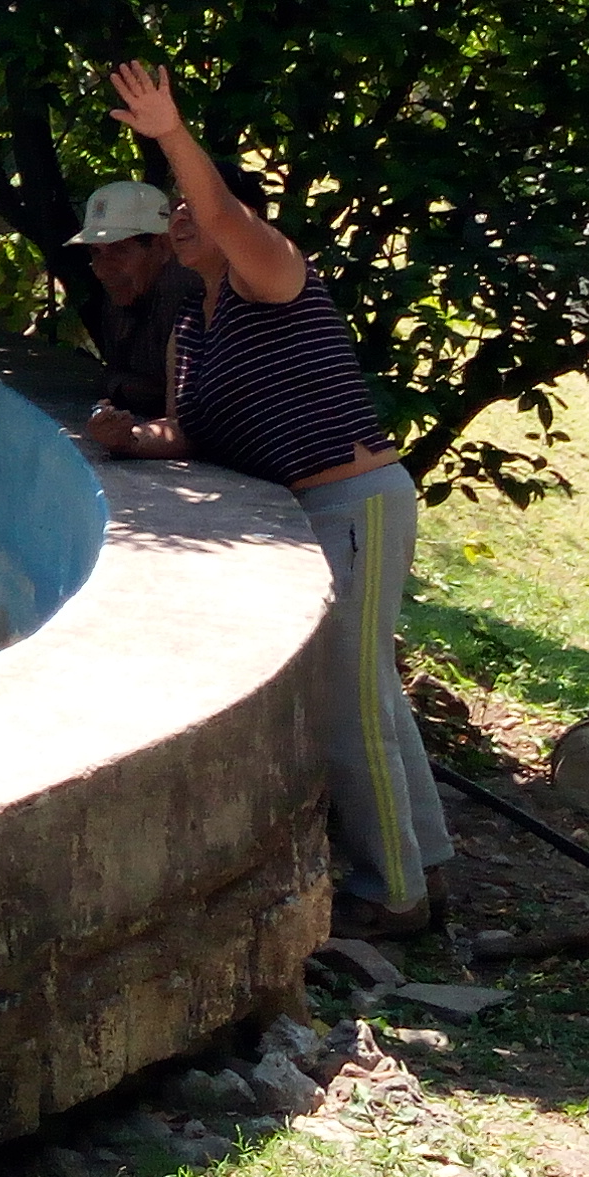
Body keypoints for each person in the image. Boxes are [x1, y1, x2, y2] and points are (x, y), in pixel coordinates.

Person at [85, 60, 454, 942]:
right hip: (313, 516)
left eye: (188, 212)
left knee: (348, 699)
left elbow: (218, 212)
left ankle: (392, 894)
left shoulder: (274, 276)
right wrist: (126, 439)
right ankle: (426, 867)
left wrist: (168, 132)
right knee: (371, 696)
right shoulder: (196, 324)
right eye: (173, 215)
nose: (180, 223)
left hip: (353, 502)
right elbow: (189, 431)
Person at [68, 180, 203, 437]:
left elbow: (177, 402)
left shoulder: (186, 292)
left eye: (118, 250)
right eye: (95, 253)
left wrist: (121, 386)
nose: (101, 269)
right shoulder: (125, 293)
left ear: (163, 247)